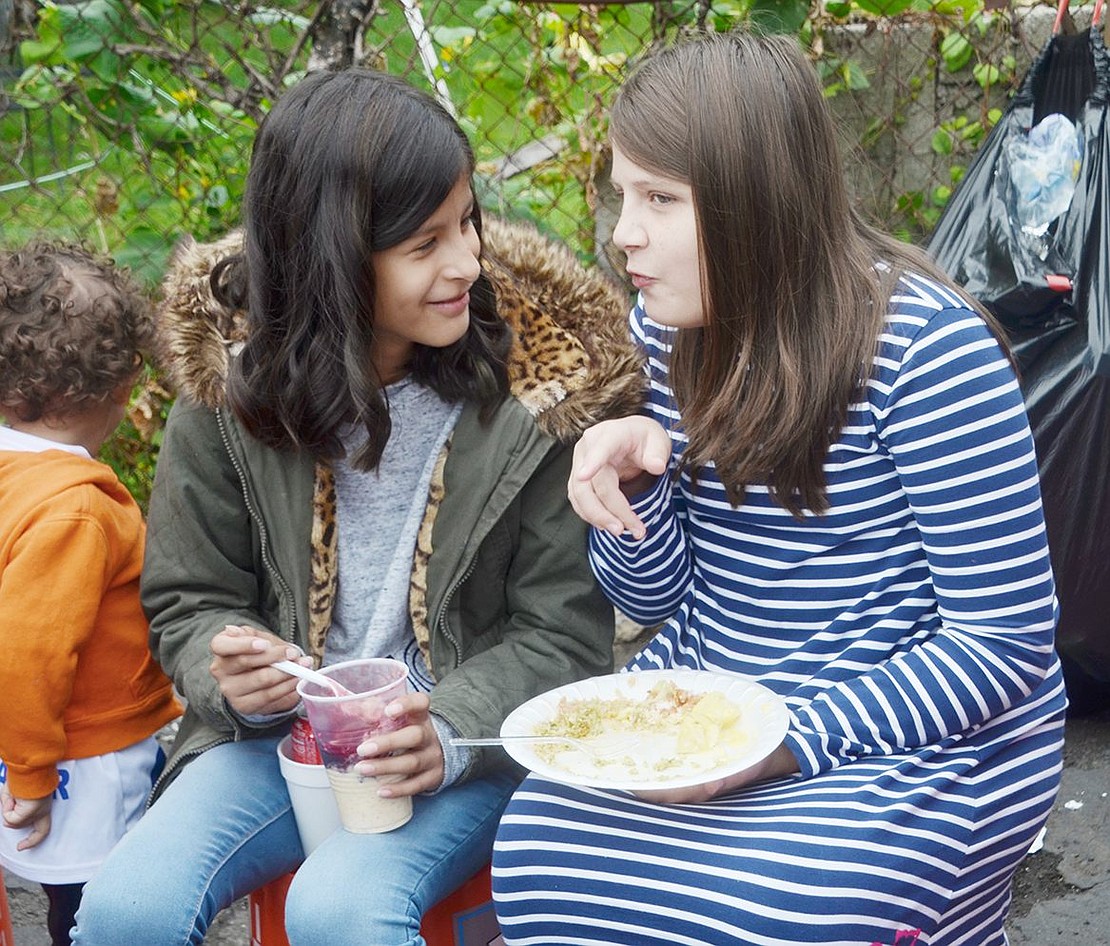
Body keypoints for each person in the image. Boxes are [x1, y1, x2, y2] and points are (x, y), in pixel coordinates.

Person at [492, 31, 1067, 946]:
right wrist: (633, 486)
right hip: (718, 691)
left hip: (913, 729)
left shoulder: (927, 350)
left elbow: (1002, 645)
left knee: (786, 910)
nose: (621, 232)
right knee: (535, 860)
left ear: (754, 200)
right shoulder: (665, 324)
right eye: (620, 192)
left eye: (659, 199)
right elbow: (656, 595)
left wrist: (780, 744)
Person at [70, 67, 639, 946]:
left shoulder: (538, 396)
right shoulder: (228, 394)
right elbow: (189, 600)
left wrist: (446, 730)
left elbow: (561, 635)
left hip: (459, 744)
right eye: (425, 244)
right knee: (124, 910)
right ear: (331, 259)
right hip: (279, 745)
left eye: (467, 223)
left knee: (339, 910)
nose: (466, 262)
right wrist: (235, 682)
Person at [0, 242, 182, 946]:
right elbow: (28, 651)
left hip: (30, 742)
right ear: (120, 388)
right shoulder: (76, 509)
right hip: (82, 755)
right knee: (101, 902)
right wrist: (36, 776)